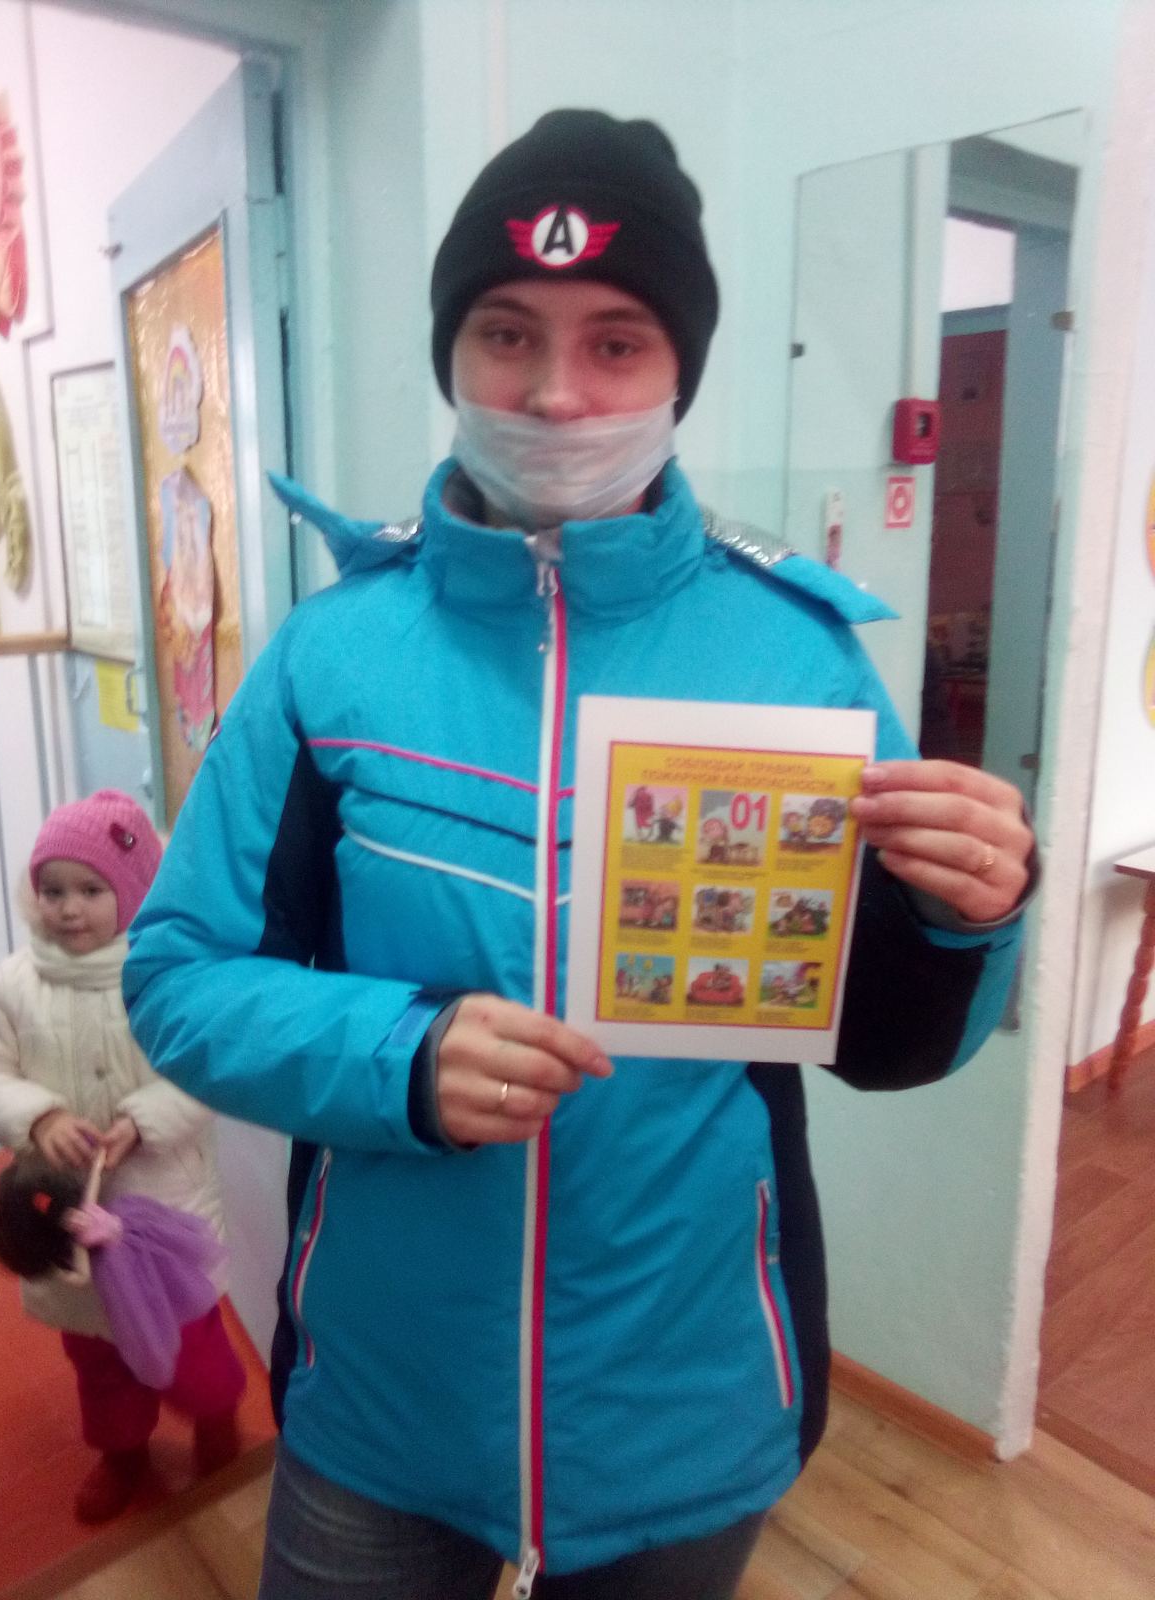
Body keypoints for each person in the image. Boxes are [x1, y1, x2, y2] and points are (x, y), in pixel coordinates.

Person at [123, 111, 1036, 1599]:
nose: (555, 394)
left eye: (617, 342)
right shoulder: (330, 655)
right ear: (452, 354)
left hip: (683, 1406)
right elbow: (177, 977)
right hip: (382, 1408)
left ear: (681, 371)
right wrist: (403, 1055)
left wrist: (967, 916)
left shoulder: (799, 656)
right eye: (506, 333)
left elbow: (885, 1044)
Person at [0, 790, 245, 1523]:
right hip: (65, 1225)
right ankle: (123, 1452)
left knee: (194, 1352)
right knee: (98, 1360)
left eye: (90, 890)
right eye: (52, 890)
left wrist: (144, 1121)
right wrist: (39, 1115)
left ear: (134, 891)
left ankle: (216, 1419)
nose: (68, 908)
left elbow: (207, 1068)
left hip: (164, 1215)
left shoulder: (166, 977)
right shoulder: (15, 984)